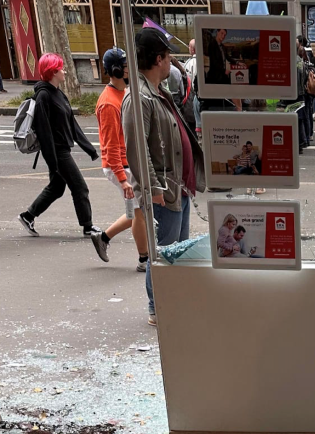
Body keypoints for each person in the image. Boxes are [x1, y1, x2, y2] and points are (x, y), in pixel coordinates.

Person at [123, 28, 206, 326]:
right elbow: (137, 149)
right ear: (159, 59)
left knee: (177, 251)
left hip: (177, 188)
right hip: (164, 191)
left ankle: (172, 300)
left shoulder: (158, 91)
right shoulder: (139, 97)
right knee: (164, 253)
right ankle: (158, 306)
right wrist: (153, 188)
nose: (173, 60)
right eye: (169, 55)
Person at [17, 53, 100, 237]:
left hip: (62, 148)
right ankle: (88, 226)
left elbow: (72, 123)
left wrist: (89, 148)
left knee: (56, 188)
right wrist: (52, 161)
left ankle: (28, 216)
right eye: (61, 68)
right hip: (58, 151)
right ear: (52, 72)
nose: (65, 70)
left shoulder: (58, 93)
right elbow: (44, 130)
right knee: (80, 187)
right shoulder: (44, 96)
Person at [89, 48, 149, 272]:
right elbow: (111, 145)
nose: (129, 69)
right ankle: (145, 260)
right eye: (125, 66)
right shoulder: (108, 103)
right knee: (140, 212)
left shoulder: (124, 93)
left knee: (136, 211)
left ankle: (103, 237)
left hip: (127, 163)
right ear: (115, 70)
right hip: (120, 166)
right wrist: (123, 180)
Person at [183, 39, 201, 137]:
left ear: (192, 49)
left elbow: (193, 83)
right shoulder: (201, 61)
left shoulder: (191, 63)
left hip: (193, 97)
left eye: (189, 47)